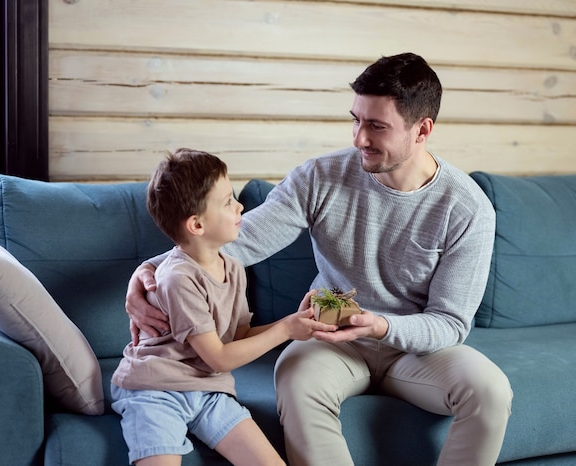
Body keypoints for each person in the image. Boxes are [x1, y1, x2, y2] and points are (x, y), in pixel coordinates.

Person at [126, 54, 513, 466]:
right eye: (356, 120)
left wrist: (382, 325)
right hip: (330, 341)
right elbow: (238, 240)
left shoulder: (467, 208)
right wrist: (152, 269)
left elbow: (450, 322)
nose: (359, 138)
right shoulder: (321, 177)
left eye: (376, 126)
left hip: (417, 351)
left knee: (490, 391)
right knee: (295, 378)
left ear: (422, 130)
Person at [111, 148, 336, 466]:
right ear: (197, 225)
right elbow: (218, 355)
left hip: (209, 389)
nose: (241, 206)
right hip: (155, 389)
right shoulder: (177, 278)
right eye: (228, 201)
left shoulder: (231, 267)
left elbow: (238, 335)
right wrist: (286, 330)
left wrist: (295, 322)